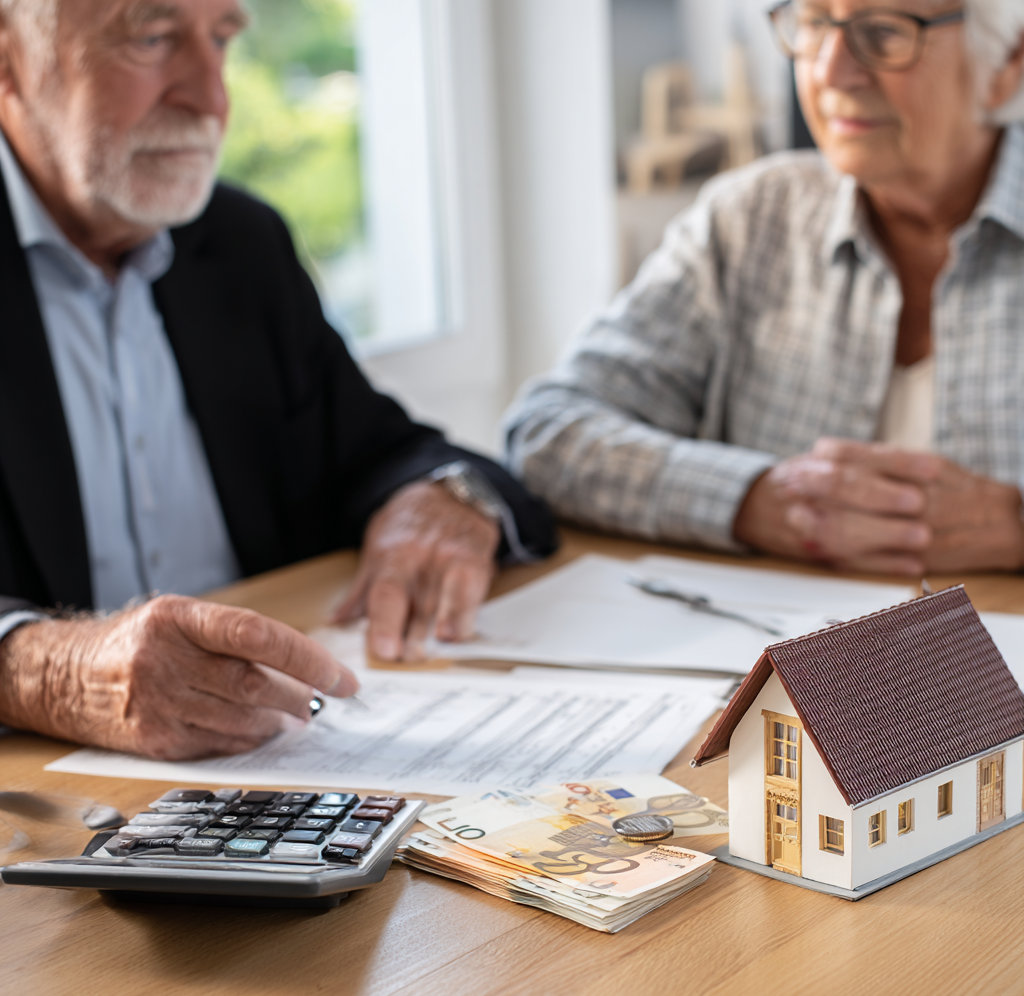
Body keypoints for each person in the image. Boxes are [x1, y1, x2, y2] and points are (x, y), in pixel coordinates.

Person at [0, 0, 556, 759]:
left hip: (287, 761)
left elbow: (382, 451)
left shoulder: (239, 244)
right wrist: (53, 671)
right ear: (10, 59)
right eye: (152, 37)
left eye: (222, 38)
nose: (211, 97)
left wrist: (443, 499)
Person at [506, 0, 1024, 578]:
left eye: (883, 33)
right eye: (813, 23)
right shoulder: (747, 222)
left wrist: (1018, 525)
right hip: (777, 662)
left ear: (1009, 58)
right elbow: (546, 431)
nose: (829, 71)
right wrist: (756, 499)